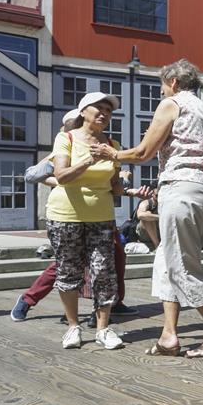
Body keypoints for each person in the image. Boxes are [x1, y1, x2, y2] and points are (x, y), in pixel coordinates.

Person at [91, 59, 203, 358]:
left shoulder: (172, 104)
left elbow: (143, 153)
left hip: (182, 188)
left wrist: (112, 153)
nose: (159, 92)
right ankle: (169, 335)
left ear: (174, 82)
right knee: (166, 262)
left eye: (161, 86)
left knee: (181, 265)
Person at [48, 93, 149, 349]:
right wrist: (89, 160)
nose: (104, 113)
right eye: (99, 108)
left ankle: (103, 329)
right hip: (65, 215)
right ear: (83, 111)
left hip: (102, 217)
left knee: (104, 272)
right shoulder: (67, 138)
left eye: (109, 110)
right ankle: (73, 326)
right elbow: (61, 176)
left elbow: (114, 187)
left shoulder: (112, 144)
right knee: (68, 271)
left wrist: (130, 189)